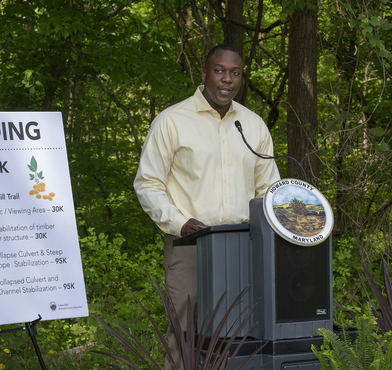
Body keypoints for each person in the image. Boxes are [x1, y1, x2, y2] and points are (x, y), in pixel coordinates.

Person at [134, 44, 280, 369]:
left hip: (245, 247)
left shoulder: (254, 125)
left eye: (235, 72)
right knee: (185, 341)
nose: (227, 79)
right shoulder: (172, 121)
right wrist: (179, 221)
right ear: (204, 74)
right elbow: (148, 183)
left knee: (241, 336)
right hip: (191, 247)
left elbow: (268, 189)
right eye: (219, 70)